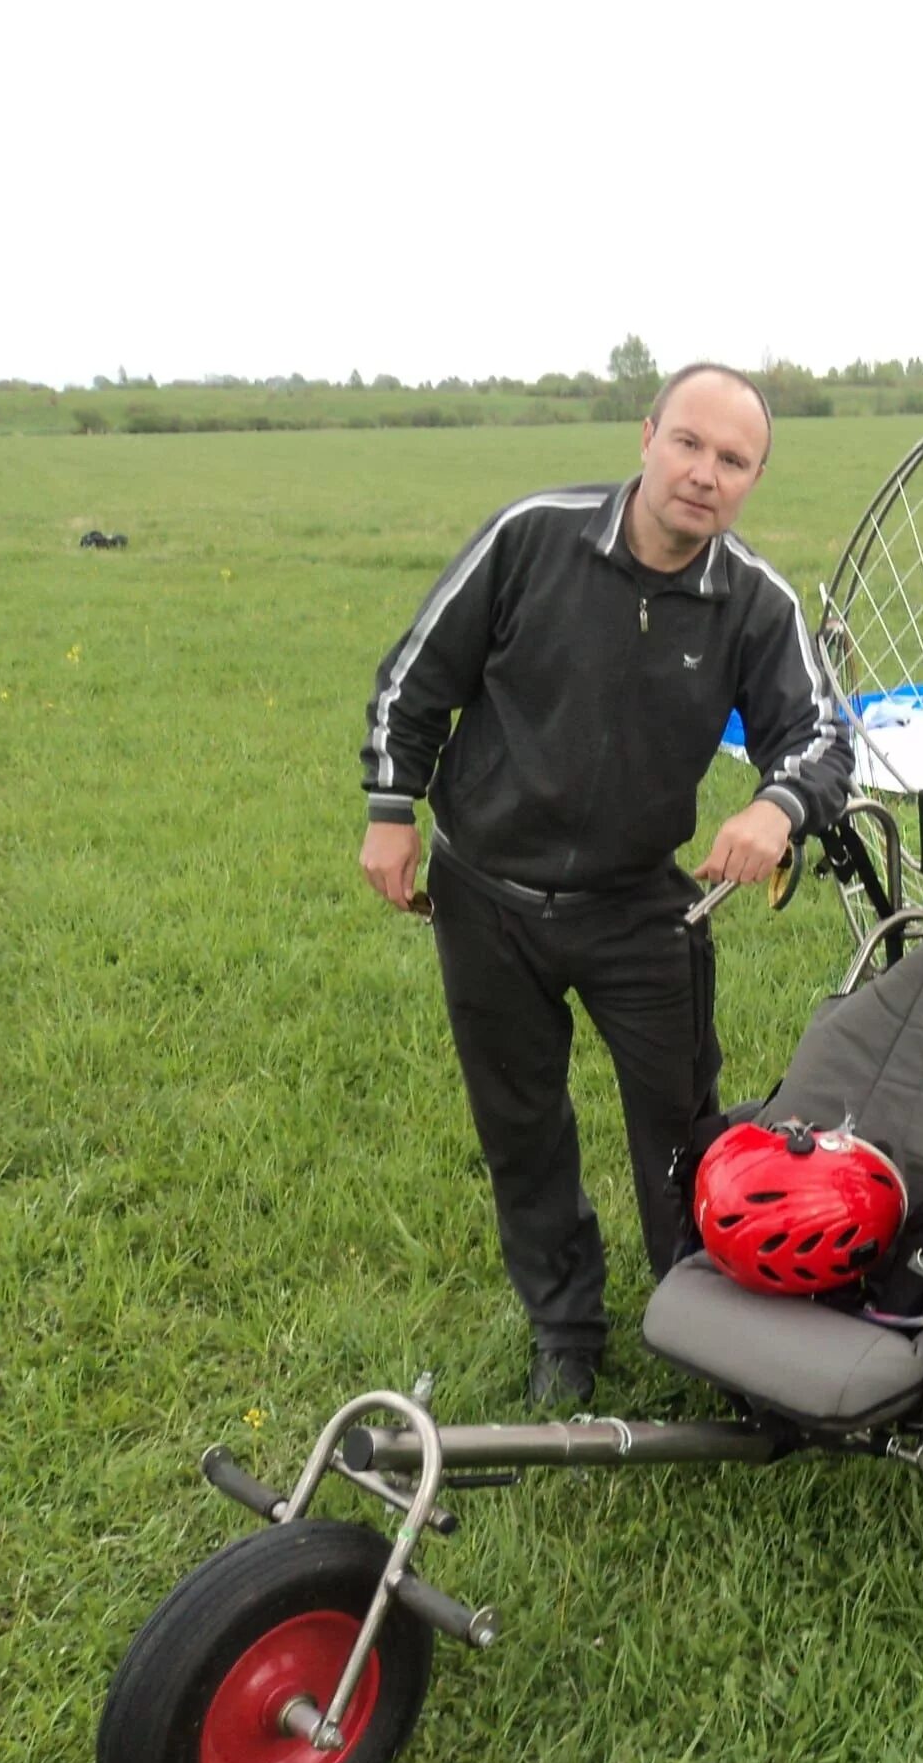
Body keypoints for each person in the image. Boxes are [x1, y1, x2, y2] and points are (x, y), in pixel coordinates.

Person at [359, 364, 853, 1407]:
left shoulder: (753, 603)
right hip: (485, 892)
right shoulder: (533, 536)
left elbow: (823, 736)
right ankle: (564, 1330)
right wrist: (391, 809)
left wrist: (777, 808)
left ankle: (702, 1319)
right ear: (646, 436)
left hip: (640, 908)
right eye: (688, 444)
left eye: (733, 460)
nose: (704, 475)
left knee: (681, 1129)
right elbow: (417, 676)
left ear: (754, 478)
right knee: (521, 1124)